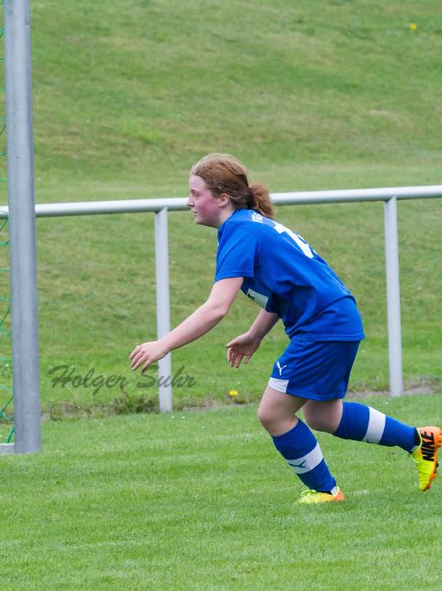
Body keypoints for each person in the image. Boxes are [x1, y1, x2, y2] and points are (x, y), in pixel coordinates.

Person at [130, 153, 439, 503]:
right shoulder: (250, 224)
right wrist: (255, 334)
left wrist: (164, 344)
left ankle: (325, 491)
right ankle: (420, 441)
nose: (188, 202)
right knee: (323, 414)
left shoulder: (240, 230)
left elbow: (216, 308)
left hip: (323, 326)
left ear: (222, 198)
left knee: (273, 414)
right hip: (334, 321)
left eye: (195, 193)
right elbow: (283, 290)